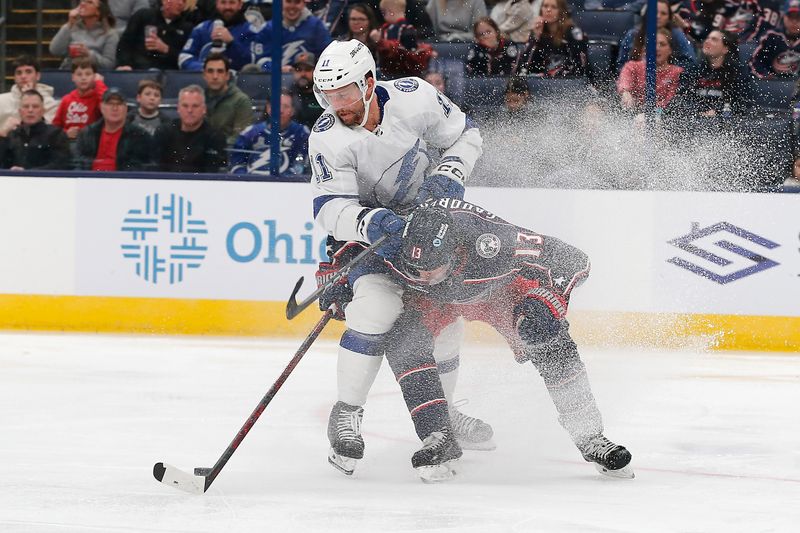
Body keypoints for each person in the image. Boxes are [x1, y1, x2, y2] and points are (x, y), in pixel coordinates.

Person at [308, 39, 486, 476]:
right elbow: (329, 209)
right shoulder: (327, 138)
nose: (338, 105)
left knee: (447, 319)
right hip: (369, 235)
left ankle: (442, 416)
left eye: (345, 93)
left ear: (369, 83)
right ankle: (346, 413)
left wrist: (450, 172)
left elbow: (467, 134)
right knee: (375, 307)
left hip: (430, 223)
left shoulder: (415, 96)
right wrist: (374, 222)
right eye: (329, 96)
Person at [376, 200, 634, 481]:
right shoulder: (394, 242)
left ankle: (590, 437)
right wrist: (339, 282)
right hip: (435, 302)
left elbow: (574, 260)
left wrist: (548, 300)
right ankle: (437, 436)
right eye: (416, 269)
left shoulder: (493, 241)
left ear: (456, 250)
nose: (425, 276)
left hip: (499, 293)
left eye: (433, 268)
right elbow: (354, 255)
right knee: (404, 342)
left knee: (548, 337)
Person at [230, 90, 310, 175]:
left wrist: (279, 182)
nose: (280, 110)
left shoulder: (301, 133)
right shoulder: (250, 133)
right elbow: (236, 165)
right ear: (268, 108)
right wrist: (251, 180)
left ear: (293, 111)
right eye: (276, 105)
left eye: (286, 106)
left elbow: (300, 167)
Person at [678, 29, 753, 117]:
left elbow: (742, 103)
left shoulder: (738, 71)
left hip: (725, 121)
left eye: (714, 39)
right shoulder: (695, 69)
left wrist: (718, 111)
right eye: (707, 38)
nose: (707, 42)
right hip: (696, 119)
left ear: (725, 49)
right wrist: (696, 112)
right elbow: (683, 98)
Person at [152, 84, 227, 172]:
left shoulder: (215, 137)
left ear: (204, 109)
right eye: (185, 106)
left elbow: (214, 173)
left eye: (195, 106)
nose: (190, 110)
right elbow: (155, 167)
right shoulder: (163, 132)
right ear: (178, 108)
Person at [74, 87, 153, 171]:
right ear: (101, 107)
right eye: (110, 104)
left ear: (126, 108)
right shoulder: (87, 134)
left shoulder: (140, 136)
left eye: (119, 104)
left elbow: (140, 168)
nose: (115, 108)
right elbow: (79, 164)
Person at [178, 0, 261, 71]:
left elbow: (253, 63)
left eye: (232, 2)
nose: (227, 7)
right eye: (223, 2)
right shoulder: (202, 29)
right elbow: (184, 57)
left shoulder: (250, 31)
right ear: (217, 4)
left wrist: (232, 43)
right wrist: (205, 69)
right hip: (203, 83)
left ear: (240, 5)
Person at [616, 0, 695, 73]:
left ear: (669, 18)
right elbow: (621, 64)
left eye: (663, 13)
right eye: (654, 12)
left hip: (669, 82)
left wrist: (666, 69)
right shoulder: (633, 34)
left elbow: (690, 63)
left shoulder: (677, 34)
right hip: (637, 80)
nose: (658, 16)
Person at [514, 0, 588, 77]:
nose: (548, 10)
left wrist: (549, 74)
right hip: (541, 83)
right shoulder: (538, 32)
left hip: (569, 81)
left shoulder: (573, 32)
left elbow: (579, 65)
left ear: (561, 11)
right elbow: (524, 68)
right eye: (545, 6)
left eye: (554, 7)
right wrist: (535, 37)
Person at [0, 90, 71, 171]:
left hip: (45, 182)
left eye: (35, 106)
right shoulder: (11, 135)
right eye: (26, 106)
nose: (30, 110)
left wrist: (27, 173)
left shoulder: (56, 134)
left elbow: (60, 165)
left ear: (43, 111)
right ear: (20, 111)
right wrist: (3, 134)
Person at [116, 0, 196, 70]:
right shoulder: (143, 16)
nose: (181, 3)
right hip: (137, 69)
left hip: (169, 72)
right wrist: (124, 64)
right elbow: (124, 43)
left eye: (184, 1)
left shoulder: (187, 28)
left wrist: (166, 49)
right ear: (165, 1)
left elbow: (185, 58)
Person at [617, 28, 684, 113]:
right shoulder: (632, 66)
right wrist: (626, 93)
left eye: (662, 44)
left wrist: (651, 114)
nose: (657, 48)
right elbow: (624, 82)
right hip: (633, 113)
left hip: (662, 115)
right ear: (645, 49)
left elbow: (671, 102)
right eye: (653, 44)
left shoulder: (677, 72)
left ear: (670, 50)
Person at [256, 0, 333, 72]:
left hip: (308, 81)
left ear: (304, 3)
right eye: (288, 1)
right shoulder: (269, 28)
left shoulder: (316, 26)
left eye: (297, 2)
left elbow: (327, 57)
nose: (292, 6)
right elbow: (260, 60)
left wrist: (307, 68)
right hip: (275, 82)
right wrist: (278, 69)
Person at [49, 0, 120, 71]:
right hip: (68, 72)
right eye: (82, 1)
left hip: (94, 75)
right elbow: (54, 50)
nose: (82, 4)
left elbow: (109, 64)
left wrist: (89, 54)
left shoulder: (110, 34)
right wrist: (69, 24)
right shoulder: (71, 27)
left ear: (98, 11)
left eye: (89, 2)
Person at [371, 0, 434, 79]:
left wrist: (381, 41)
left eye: (384, 13)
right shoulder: (387, 28)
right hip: (389, 71)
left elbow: (408, 52)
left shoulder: (406, 29)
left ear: (391, 12)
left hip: (402, 73)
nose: (383, 17)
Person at [0, 56, 60, 139]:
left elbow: (51, 134)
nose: (23, 76)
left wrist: (30, 96)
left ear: (38, 76)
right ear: (14, 77)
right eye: (19, 73)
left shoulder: (51, 104)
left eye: (28, 72)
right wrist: (3, 131)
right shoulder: (1, 101)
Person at [201, 53, 254, 145]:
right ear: (204, 75)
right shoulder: (198, 99)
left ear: (227, 75)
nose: (215, 76)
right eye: (210, 71)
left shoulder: (241, 101)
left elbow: (241, 137)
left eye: (220, 71)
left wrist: (214, 147)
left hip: (228, 155)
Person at [52, 57, 108, 142]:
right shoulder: (66, 99)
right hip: (68, 142)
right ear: (73, 77)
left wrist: (99, 84)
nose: (83, 78)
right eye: (79, 74)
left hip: (90, 143)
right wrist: (66, 133)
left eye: (88, 74)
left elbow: (108, 108)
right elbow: (55, 127)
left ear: (95, 76)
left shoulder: (98, 97)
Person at [749, 1, 800, 79]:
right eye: (790, 17)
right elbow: (755, 61)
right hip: (773, 84)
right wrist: (765, 75)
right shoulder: (771, 36)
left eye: (798, 18)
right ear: (784, 17)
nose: (794, 22)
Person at [289, 52, 325, 129]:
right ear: (293, 72)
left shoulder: (325, 95)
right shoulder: (286, 96)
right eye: (298, 69)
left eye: (308, 69)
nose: (303, 74)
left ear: (316, 71)